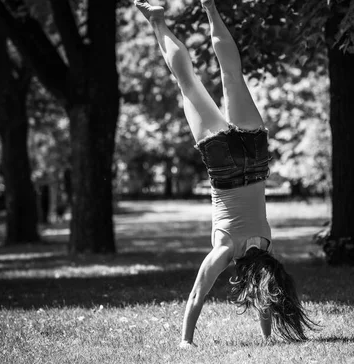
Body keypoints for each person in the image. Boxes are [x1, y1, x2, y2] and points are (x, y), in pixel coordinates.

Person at [134, 0, 316, 347]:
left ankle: (210, 7)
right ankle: (158, 21)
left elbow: (263, 286)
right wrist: (185, 341)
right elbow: (196, 295)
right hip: (225, 168)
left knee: (232, 75)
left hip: (256, 159)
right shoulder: (225, 250)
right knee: (188, 83)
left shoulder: (264, 243)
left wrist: (267, 338)